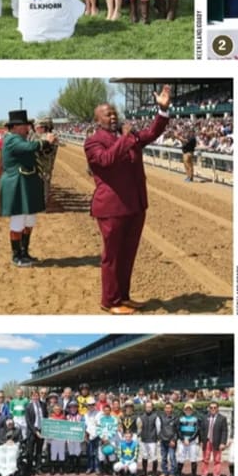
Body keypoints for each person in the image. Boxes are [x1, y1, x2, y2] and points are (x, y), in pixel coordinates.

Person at [84, 85, 172, 314]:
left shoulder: (129, 137)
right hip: (112, 208)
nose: (113, 116)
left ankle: (123, 297)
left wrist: (162, 111)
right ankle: (110, 301)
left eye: (114, 113)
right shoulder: (94, 142)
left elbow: (152, 133)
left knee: (128, 255)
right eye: (107, 114)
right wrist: (125, 138)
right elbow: (106, 160)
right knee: (113, 257)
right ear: (98, 120)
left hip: (135, 205)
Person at [0, 109, 57, 267]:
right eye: (26, 126)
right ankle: (16, 255)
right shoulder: (12, 139)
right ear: (16, 127)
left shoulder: (20, 138)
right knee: (18, 220)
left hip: (26, 181)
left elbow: (36, 151)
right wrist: (45, 142)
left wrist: (46, 146)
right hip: (16, 183)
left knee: (30, 219)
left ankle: (24, 252)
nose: (28, 129)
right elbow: (29, 148)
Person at [200, 400, 228, 476]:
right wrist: (201, 441)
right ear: (209, 408)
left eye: (215, 407)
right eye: (211, 407)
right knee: (205, 459)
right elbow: (201, 430)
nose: (213, 409)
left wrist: (223, 443)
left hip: (217, 442)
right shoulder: (205, 417)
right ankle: (204, 475)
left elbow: (224, 431)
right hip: (207, 441)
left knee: (217, 460)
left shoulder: (222, 418)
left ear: (217, 408)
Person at [176, 401, 201, 476]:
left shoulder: (195, 419)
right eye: (186, 409)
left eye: (189, 409)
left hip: (192, 442)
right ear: (184, 410)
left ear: (192, 410)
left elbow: (197, 431)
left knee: (193, 458)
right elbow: (178, 430)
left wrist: (189, 440)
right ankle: (178, 474)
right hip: (182, 441)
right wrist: (183, 439)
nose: (188, 411)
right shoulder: (180, 419)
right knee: (180, 458)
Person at [137, 398, 161, 476]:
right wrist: (139, 435)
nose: (148, 408)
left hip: (152, 440)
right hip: (144, 439)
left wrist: (157, 438)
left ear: (152, 407)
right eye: (147, 407)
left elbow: (158, 428)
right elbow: (139, 428)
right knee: (144, 456)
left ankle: (154, 473)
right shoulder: (141, 417)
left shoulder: (156, 416)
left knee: (154, 456)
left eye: (150, 407)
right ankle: (144, 472)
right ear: (145, 408)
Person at [159, 401, 179, 476]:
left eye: (169, 408)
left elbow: (177, 431)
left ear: (172, 409)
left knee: (172, 457)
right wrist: (160, 437)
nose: (168, 409)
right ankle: (165, 472)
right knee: (163, 458)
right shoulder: (161, 417)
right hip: (163, 440)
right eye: (166, 408)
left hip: (171, 441)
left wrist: (174, 440)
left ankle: (173, 473)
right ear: (164, 409)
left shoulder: (175, 418)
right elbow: (159, 428)